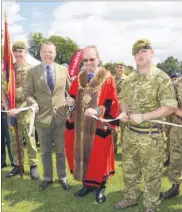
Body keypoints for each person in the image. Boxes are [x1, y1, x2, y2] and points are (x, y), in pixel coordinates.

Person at [114, 39, 178, 212]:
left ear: (152, 53)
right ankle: (130, 198)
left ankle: (151, 205)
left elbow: (170, 107)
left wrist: (144, 116)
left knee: (152, 174)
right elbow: (123, 99)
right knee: (129, 170)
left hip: (151, 136)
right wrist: (125, 113)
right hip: (130, 134)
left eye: (144, 51)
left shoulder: (161, 78)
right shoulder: (130, 78)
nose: (140, 55)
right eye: (137, 53)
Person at [65, 45, 120, 203]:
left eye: (92, 59)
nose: (88, 62)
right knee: (83, 155)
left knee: (99, 158)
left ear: (98, 59)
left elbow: (112, 103)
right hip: (82, 127)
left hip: (98, 126)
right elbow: (74, 98)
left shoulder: (107, 77)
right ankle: (87, 185)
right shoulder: (80, 77)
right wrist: (70, 103)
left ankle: (101, 187)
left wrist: (97, 111)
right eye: (86, 60)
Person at [26, 41, 71, 191]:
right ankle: (47, 177)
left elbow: (70, 92)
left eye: (51, 52)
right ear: (40, 53)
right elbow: (29, 94)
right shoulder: (32, 72)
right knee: (45, 151)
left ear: (55, 53)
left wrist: (71, 101)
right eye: (45, 51)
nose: (48, 54)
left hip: (60, 116)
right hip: (42, 117)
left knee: (60, 150)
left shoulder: (63, 71)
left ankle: (63, 177)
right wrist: (33, 102)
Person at [5, 41, 39, 180]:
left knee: (29, 138)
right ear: (13, 52)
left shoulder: (31, 70)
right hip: (11, 110)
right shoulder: (8, 71)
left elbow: (31, 92)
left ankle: (33, 166)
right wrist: (8, 109)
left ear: (25, 53)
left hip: (25, 108)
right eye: (16, 51)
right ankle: (18, 165)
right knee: (14, 139)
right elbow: (3, 90)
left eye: (21, 51)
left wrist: (17, 109)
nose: (19, 53)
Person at [160, 76, 182, 200]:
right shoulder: (177, 83)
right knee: (176, 156)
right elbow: (171, 104)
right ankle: (175, 187)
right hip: (179, 125)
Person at [113, 62, 127, 154]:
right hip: (113, 108)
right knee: (113, 129)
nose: (119, 69)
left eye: (121, 67)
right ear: (115, 69)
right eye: (117, 67)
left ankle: (125, 150)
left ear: (124, 69)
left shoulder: (128, 79)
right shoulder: (111, 79)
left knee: (124, 129)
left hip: (123, 108)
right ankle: (113, 148)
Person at [1, 89, 14, 168]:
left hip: (5, 111)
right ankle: (2, 161)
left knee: (9, 137)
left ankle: (14, 160)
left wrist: (3, 104)